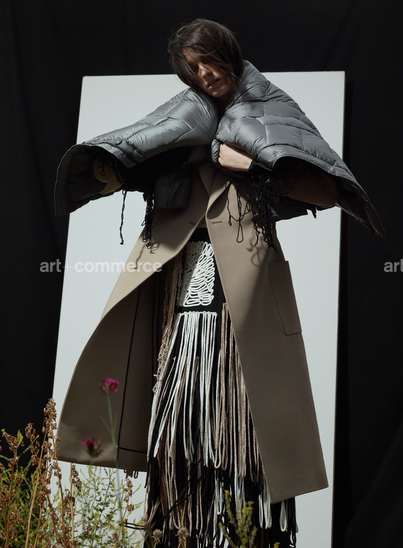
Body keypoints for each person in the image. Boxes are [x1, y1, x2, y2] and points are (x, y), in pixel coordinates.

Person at [54, 19, 384, 548]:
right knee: (174, 420)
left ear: (228, 53)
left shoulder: (272, 106)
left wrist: (255, 163)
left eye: (209, 60)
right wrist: (112, 168)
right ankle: (179, 529)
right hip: (177, 278)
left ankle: (246, 534)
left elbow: (327, 189)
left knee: (243, 424)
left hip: (242, 290)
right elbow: (133, 155)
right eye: (193, 66)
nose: (204, 73)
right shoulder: (182, 115)